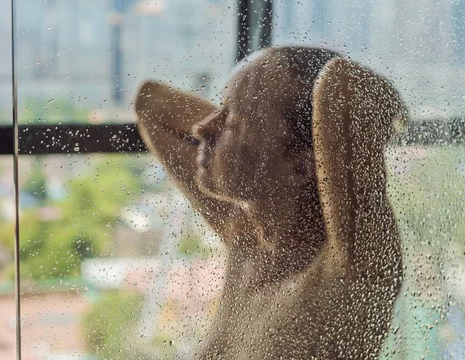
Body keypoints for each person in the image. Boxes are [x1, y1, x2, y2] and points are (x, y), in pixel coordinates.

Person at [136, 46, 407, 359]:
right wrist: (247, 108)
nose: (202, 128)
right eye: (220, 111)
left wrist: (259, 113)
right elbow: (151, 104)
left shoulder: (352, 267)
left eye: (233, 123)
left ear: (302, 166)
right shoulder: (248, 242)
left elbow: (345, 86)